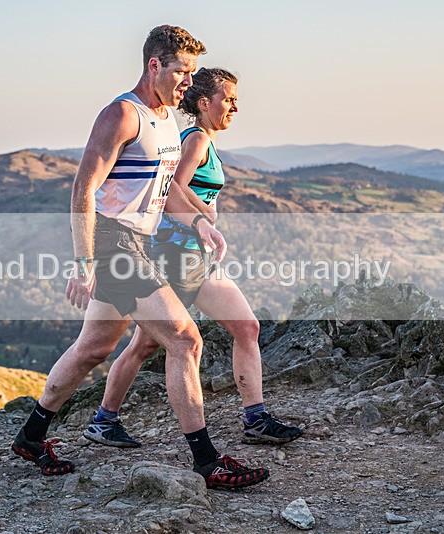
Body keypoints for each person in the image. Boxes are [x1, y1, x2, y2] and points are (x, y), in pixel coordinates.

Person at [11, 25, 269, 490]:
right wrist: (84, 261)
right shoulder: (121, 115)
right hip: (114, 245)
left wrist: (198, 224)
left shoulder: (167, 119)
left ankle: (31, 436)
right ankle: (206, 461)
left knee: (93, 348)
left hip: (139, 243)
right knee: (186, 339)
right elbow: (83, 189)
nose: (189, 83)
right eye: (182, 72)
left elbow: (162, 190)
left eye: (192, 73)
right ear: (155, 65)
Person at [83, 67, 303, 451]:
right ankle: (104, 420)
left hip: (196, 255)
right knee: (146, 345)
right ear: (204, 103)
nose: (235, 106)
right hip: (176, 253)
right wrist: (206, 217)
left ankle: (256, 418)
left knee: (246, 327)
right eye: (228, 99)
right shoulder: (197, 139)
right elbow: (172, 191)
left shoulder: (204, 139)